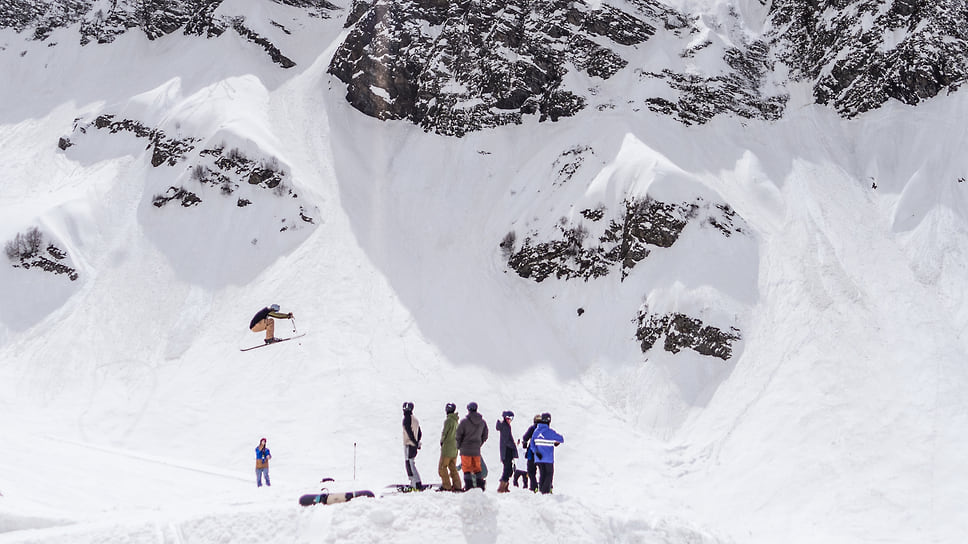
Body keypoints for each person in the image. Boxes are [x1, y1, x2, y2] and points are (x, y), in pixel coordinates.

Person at [455, 401, 488, 491]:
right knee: (477, 469)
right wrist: (478, 444)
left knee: (467, 469)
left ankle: (469, 487)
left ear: (468, 409)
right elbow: (485, 435)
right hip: (476, 450)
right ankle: (480, 487)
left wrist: (459, 446)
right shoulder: (482, 422)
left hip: (465, 450)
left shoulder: (464, 422)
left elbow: (458, 435)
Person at [529, 412, 564, 494]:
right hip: (548, 458)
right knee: (549, 474)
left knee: (542, 474)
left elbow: (531, 444)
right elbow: (561, 439)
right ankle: (545, 492)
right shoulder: (550, 432)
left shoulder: (536, 431)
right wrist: (555, 443)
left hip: (538, 458)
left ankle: (541, 491)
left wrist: (536, 452)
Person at [438, 402, 462, 492]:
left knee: (442, 468)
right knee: (453, 468)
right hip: (454, 449)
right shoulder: (456, 421)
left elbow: (444, 433)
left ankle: (446, 486)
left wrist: (442, 442)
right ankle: (457, 485)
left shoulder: (448, 421)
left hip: (447, 449)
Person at [495, 410, 517, 493]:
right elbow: (506, 440)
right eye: (509, 418)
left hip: (507, 451)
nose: (510, 420)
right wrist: (513, 446)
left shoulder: (506, 426)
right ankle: (502, 487)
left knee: (509, 469)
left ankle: (505, 486)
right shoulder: (505, 426)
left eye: (512, 418)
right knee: (507, 469)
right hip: (506, 451)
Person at [402, 401, 423, 489]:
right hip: (414, 445)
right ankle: (418, 482)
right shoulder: (415, 419)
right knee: (412, 464)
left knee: (409, 464)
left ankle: (413, 484)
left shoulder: (406, 419)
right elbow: (419, 432)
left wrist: (414, 442)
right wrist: (417, 442)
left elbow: (409, 431)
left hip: (409, 444)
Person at [521, 414, 541, 492]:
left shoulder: (532, 428)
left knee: (531, 471)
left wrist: (524, 444)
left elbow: (525, 437)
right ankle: (545, 486)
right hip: (542, 453)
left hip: (532, 453)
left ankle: (534, 487)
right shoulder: (545, 430)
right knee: (543, 471)